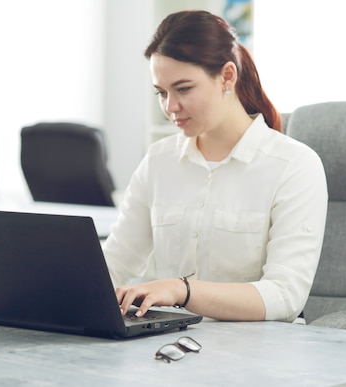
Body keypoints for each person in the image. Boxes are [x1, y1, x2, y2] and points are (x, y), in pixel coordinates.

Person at [102, 10, 328, 323]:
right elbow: (114, 264)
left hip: (261, 358)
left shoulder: (294, 166)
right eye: (161, 93)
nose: (170, 107)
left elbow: (285, 296)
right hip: (166, 352)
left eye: (183, 89)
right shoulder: (158, 161)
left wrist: (182, 291)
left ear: (227, 76)